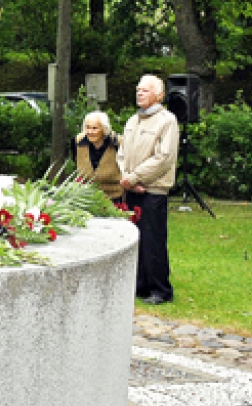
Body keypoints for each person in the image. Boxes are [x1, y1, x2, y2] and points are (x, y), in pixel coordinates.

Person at [118, 75, 180, 306]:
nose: (139, 93)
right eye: (137, 89)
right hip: (132, 187)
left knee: (153, 240)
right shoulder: (133, 120)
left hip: (153, 190)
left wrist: (135, 177)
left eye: (144, 90)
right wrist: (126, 177)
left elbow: (163, 158)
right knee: (135, 239)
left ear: (159, 94)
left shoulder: (167, 121)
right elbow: (122, 152)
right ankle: (140, 285)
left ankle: (160, 289)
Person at [72, 111, 122, 203]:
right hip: (86, 196)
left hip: (114, 196)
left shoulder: (117, 142)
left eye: (94, 128)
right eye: (88, 127)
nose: (90, 132)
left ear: (104, 128)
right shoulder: (78, 142)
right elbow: (76, 162)